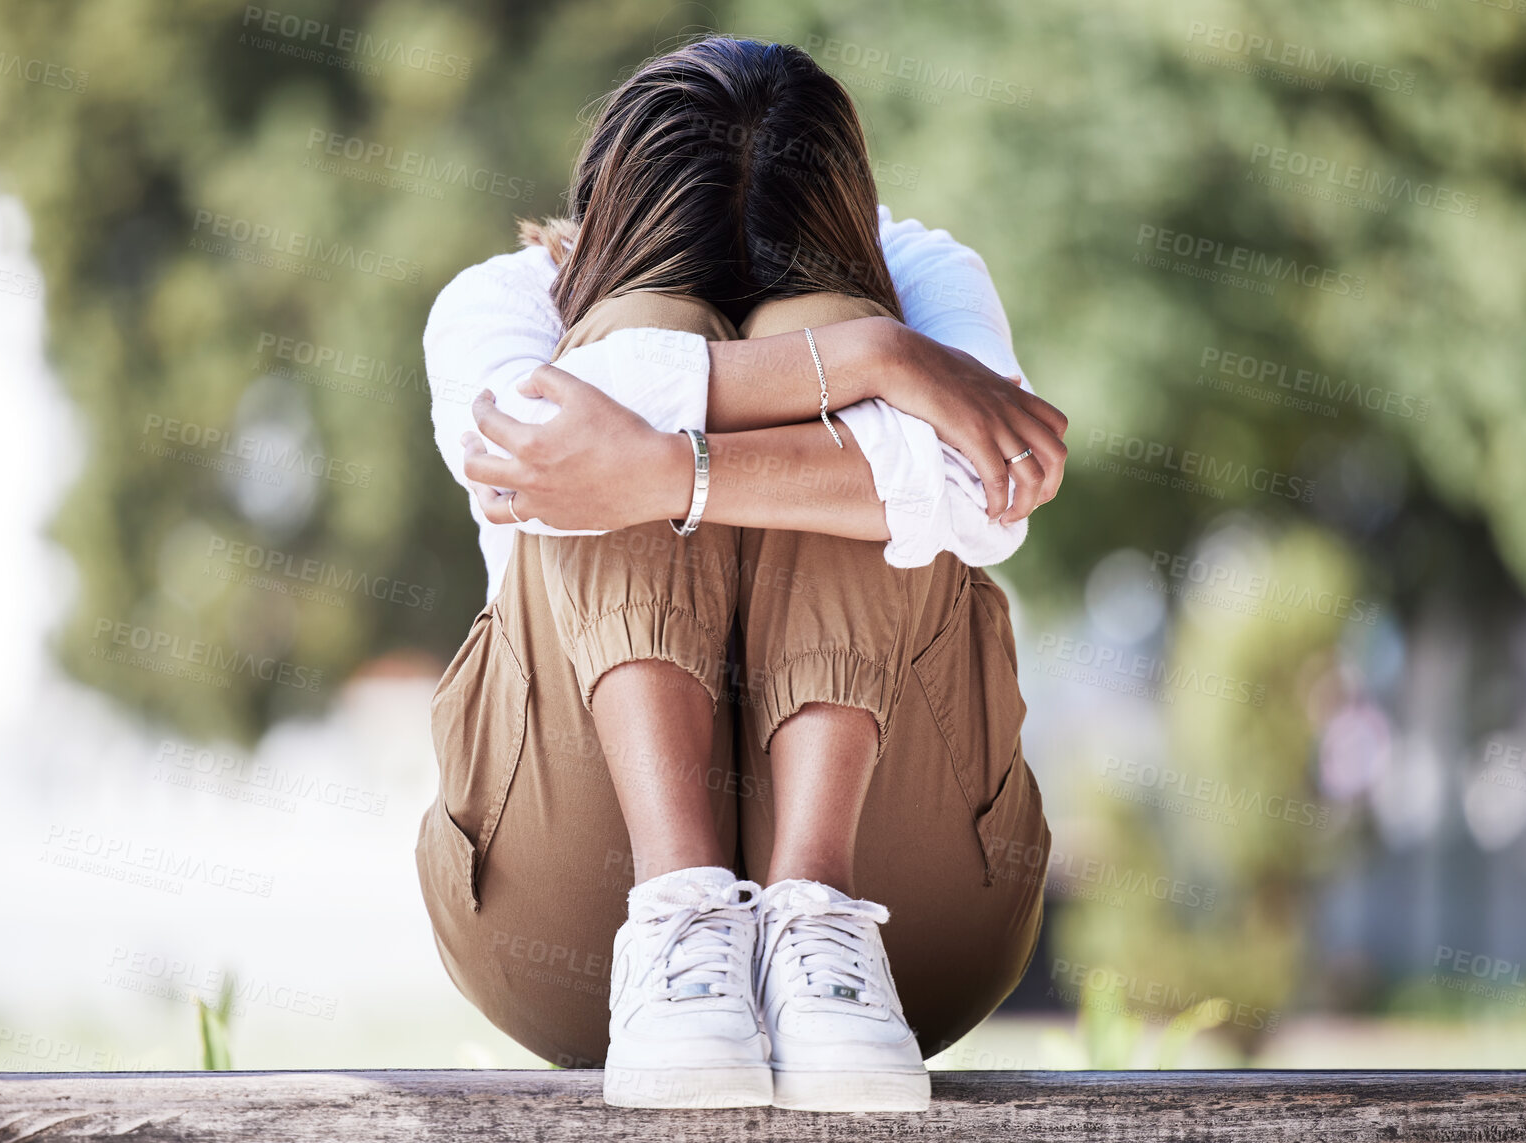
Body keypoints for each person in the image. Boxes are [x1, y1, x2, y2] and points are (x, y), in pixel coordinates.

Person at [415, 35, 1066, 1112]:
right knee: (628, 344)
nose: (739, 296)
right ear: (612, 229)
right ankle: (678, 914)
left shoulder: (925, 272)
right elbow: (532, 447)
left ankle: (818, 912)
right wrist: (878, 368)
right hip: (564, 924)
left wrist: (675, 462)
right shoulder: (505, 297)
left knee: (825, 320)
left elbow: (990, 492)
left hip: (914, 936)